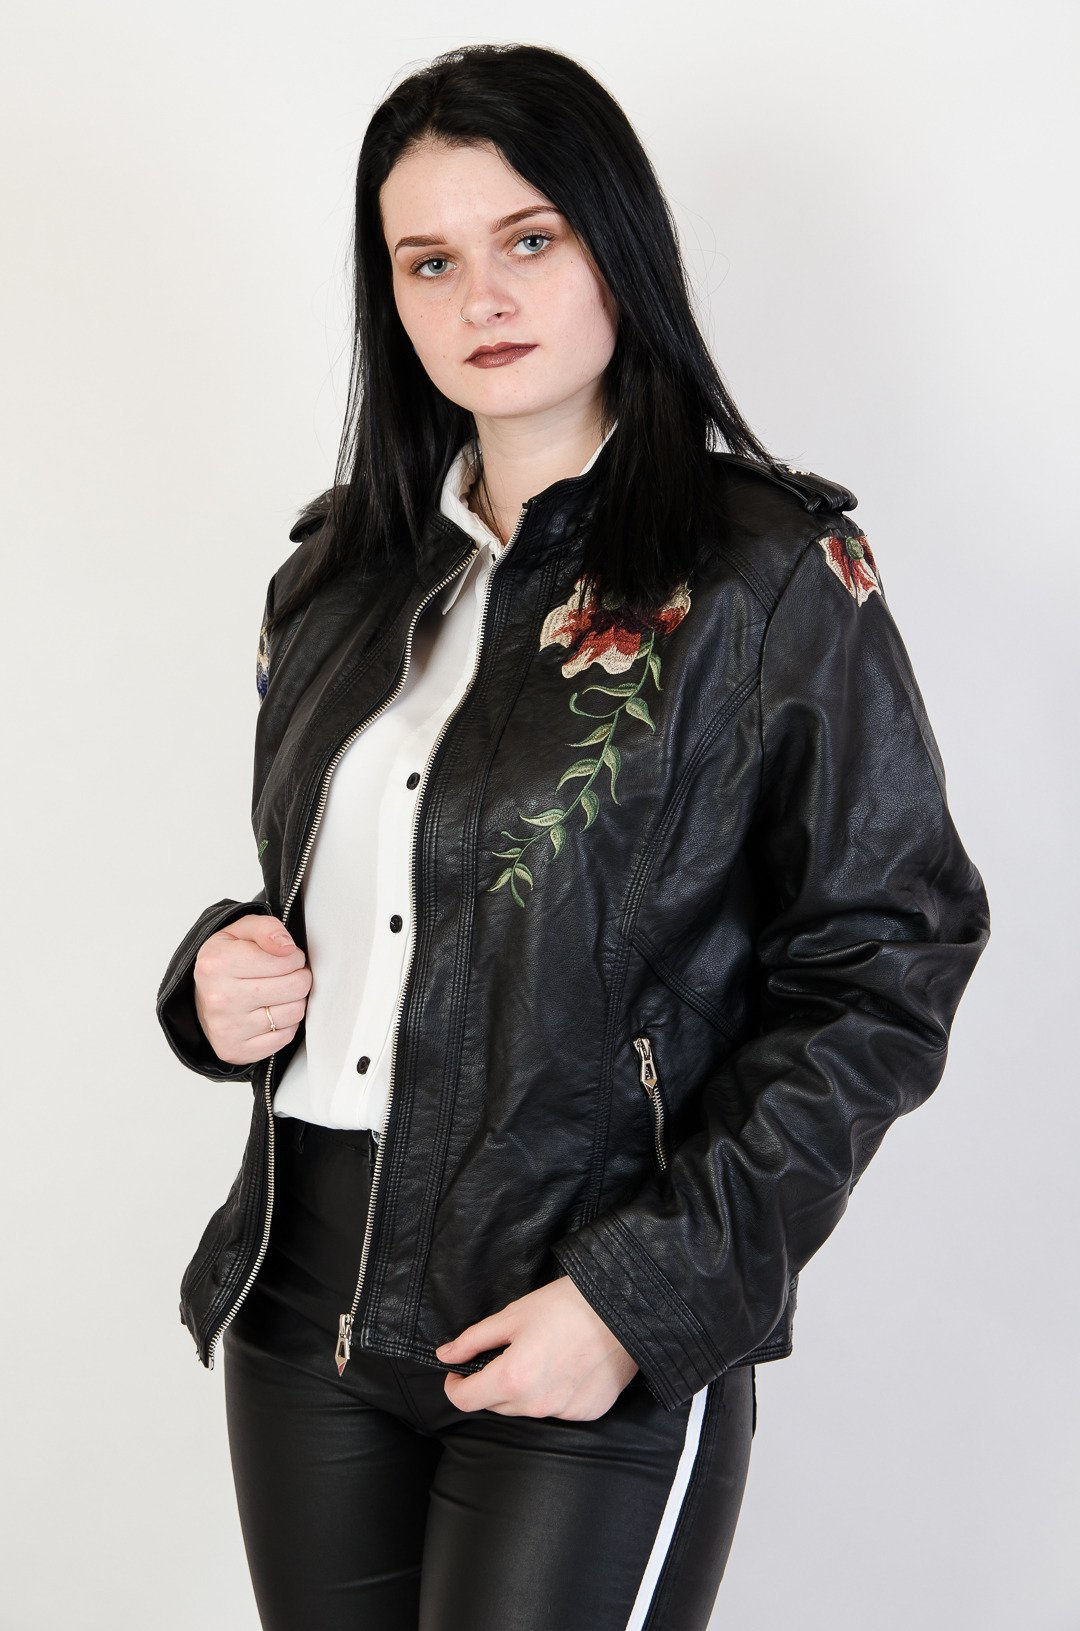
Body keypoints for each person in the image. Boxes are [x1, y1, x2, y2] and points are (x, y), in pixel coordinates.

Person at [155, 41, 992, 1631]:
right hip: (302, 1301)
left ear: (617, 244)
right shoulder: (334, 579)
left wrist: (645, 1296)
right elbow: (371, 898)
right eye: (429, 261)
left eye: (528, 238)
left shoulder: (767, 576)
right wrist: (215, 977)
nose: (482, 297)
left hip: (579, 1299)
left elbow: (888, 960)